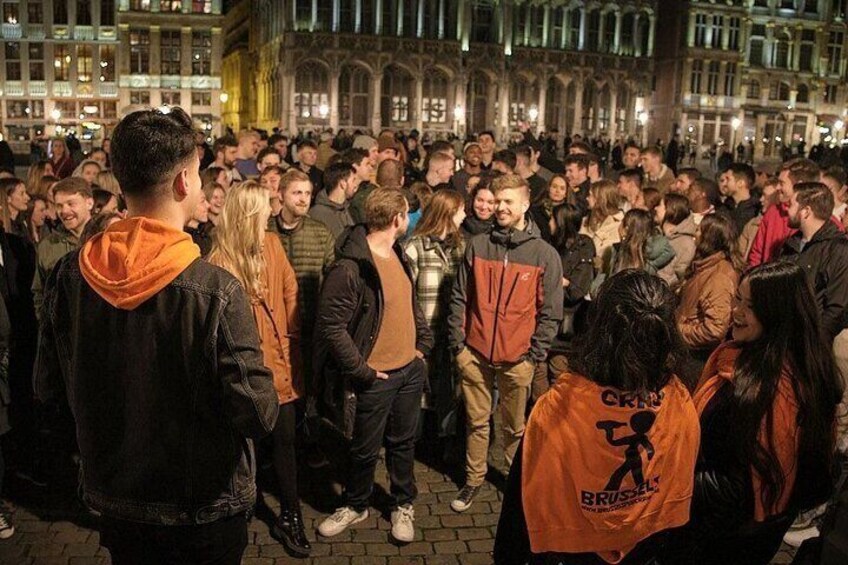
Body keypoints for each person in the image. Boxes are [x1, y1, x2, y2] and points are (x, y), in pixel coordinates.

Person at [33, 107, 278, 564]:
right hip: (202, 506)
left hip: (116, 497)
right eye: (200, 175)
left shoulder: (70, 273)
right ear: (185, 182)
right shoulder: (216, 290)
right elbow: (258, 413)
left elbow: (48, 387)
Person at [495, 270, 699, 565]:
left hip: (571, 551)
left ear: (599, 326)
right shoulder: (680, 400)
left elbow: (521, 506)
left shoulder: (558, 408)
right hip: (646, 546)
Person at [665, 262, 843, 564]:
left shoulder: (765, 387)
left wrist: (672, 476)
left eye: (750, 306)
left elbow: (740, 490)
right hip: (757, 531)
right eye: (737, 298)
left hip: (722, 535)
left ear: (777, 314)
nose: (736, 311)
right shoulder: (804, 367)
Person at [314, 188, 433, 543]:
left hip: (408, 371)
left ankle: (402, 503)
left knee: (403, 443)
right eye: (407, 215)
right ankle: (356, 503)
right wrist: (362, 371)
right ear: (397, 219)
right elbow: (331, 328)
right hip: (375, 377)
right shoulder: (351, 267)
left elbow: (408, 304)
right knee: (364, 449)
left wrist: (421, 346)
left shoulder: (399, 254)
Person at [447, 174, 563, 512]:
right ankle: (473, 480)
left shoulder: (544, 255)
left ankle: (515, 482)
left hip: (518, 359)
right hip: (476, 353)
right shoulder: (478, 246)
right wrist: (459, 346)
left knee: (515, 427)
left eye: (508, 201)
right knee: (477, 422)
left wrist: (533, 355)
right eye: (498, 201)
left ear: (525, 205)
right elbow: (460, 297)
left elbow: (550, 312)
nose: (500, 207)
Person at [208, 181, 310, 556]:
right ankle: (240, 506)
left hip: (278, 367)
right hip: (241, 371)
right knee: (242, 446)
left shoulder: (271, 245)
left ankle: (290, 513)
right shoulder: (218, 261)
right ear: (250, 213)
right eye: (265, 206)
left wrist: (290, 340)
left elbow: (291, 292)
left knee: (285, 443)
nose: (272, 210)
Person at [404, 190, 466, 445]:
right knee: (420, 392)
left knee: (448, 388)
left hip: (449, 332)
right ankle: (415, 441)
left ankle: (444, 441)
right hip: (423, 332)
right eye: (461, 210)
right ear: (448, 213)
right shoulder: (415, 247)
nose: (465, 215)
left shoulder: (459, 248)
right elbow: (406, 295)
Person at [536, 203, 595, 401]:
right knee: (538, 373)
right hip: (543, 322)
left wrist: (554, 280)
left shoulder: (584, 246)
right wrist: (560, 281)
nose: (549, 223)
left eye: (553, 219)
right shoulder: (547, 246)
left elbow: (576, 290)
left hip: (565, 328)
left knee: (559, 374)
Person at [676, 213, 738, 375]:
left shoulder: (719, 277)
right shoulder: (704, 268)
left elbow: (715, 329)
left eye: (699, 230)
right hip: (688, 355)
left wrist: (678, 330)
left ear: (708, 238)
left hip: (697, 361)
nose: (695, 234)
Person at [32, 177, 94, 318]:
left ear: (89, 203)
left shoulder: (106, 237)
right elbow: (39, 291)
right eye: (59, 205)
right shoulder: (47, 246)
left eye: (71, 204)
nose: (64, 211)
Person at [748, 158, 820, 267]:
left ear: (799, 185)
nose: (777, 187)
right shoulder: (773, 213)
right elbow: (756, 254)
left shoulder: (821, 220)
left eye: (782, 183)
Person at [601, 209, 674, 280]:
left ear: (626, 230)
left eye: (622, 222)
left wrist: (652, 265)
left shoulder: (647, 259)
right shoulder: (617, 250)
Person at [655, 192, 697, 289]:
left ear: (670, 210)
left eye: (660, 205)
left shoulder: (686, 244)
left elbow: (679, 277)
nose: (655, 208)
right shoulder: (656, 233)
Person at [580, 180, 624, 271]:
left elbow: (603, 257)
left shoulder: (618, 226)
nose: (587, 198)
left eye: (590, 195)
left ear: (600, 199)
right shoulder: (586, 220)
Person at [309, 161, 358, 238]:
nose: (356, 185)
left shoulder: (350, 209)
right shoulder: (317, 214)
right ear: (342, 184)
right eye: (353, 180)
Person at [721, 163, 760, 234]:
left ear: (740, 183)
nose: (724, 184)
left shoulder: (755, 211)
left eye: (728, 179)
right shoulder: (725, 206)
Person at [184, 190, 213, 257]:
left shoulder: (208, 232)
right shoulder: (185, 241)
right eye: (202, 201)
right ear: (189, 205)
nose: (208, 205)